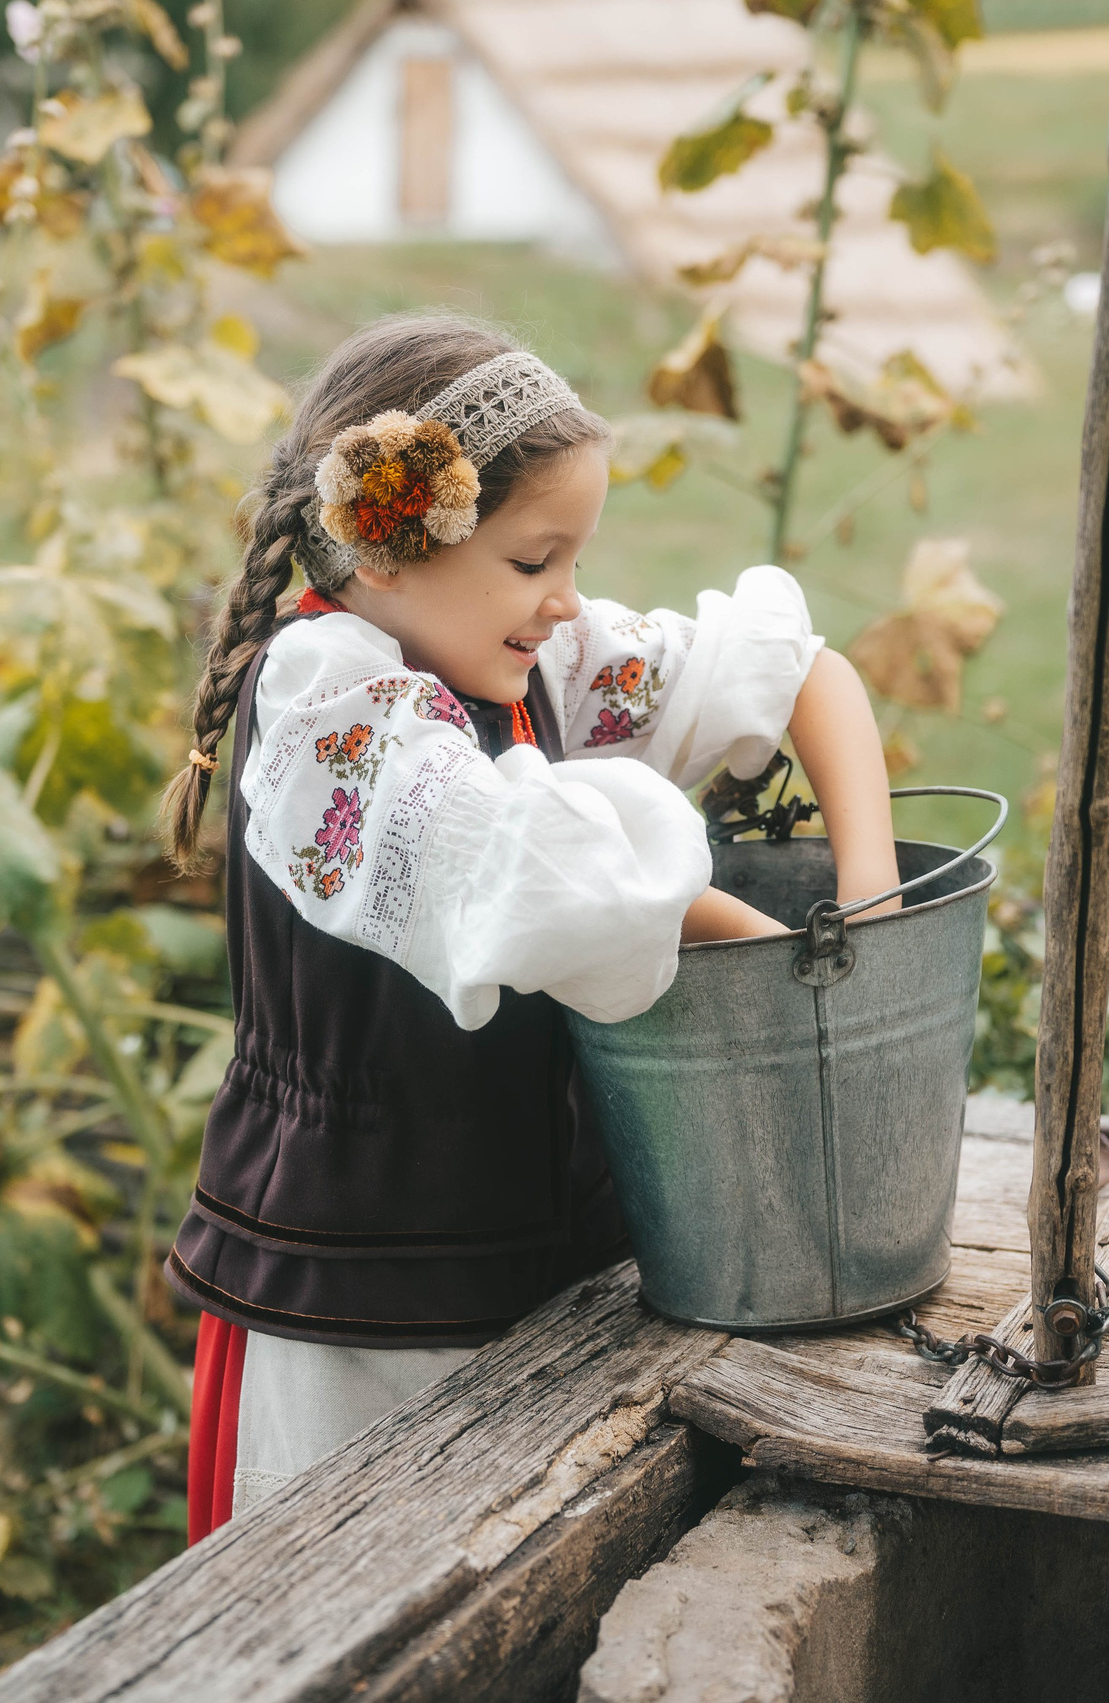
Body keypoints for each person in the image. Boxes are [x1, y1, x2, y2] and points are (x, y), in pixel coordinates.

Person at [157, 313, 898, 1539]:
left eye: (572, 559)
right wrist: (785, 962)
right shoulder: (327, 710)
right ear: (387, 546)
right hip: (360, 1291)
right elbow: (545, 877)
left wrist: (865, 907)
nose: (564, 601)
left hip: (539, 1262)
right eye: (531, 560)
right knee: (353, 1601)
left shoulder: (531, 657)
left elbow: (804, 672)